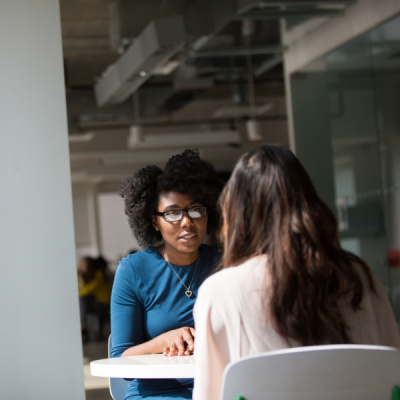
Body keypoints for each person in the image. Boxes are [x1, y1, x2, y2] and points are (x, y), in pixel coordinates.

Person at [192, 145, 400, 400]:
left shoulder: (221, 292)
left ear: (238, 215)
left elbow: (208, 396)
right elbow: (393, 377)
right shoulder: (360, 277)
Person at [111, 149, 223, 400]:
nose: (186, 222)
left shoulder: (225, 263)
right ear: (154, 221)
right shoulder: (134, 270)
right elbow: (120, 361)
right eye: (173, 213)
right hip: (157, 393)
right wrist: (164, 342)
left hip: (220, 388)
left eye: (195, 210)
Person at [78, 256, 112, 342]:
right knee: (82, 302)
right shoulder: (90, 276)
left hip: (103, 304)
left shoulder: (98, 275)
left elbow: (86, 291)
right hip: (96, 302)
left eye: (83, 264)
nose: (81, 267)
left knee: (82, 301)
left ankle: (83, 328)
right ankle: (83, 329)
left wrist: (81, 280)